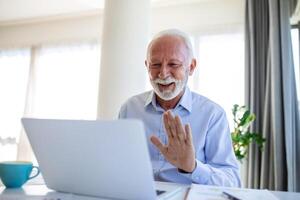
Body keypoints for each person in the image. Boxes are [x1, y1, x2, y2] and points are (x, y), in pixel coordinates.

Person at [118, 29, 241, 187]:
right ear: (146, 66)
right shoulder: (129, 109)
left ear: (191, 67)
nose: (163, 74)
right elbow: (119, 164)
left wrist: (192, 167)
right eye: (155, 64)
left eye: (173, 64)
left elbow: (233, 182)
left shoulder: (212, 114)